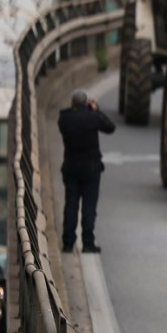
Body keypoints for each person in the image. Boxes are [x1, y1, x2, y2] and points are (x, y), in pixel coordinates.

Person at [58, 89, 115, 253]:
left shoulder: (64, 119)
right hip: (91, 169)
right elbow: (110, 127)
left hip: (70, 168)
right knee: (89, 207)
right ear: (86, 103)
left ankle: (68, 242)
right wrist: (96, 110)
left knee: (70, 205)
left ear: (72, 103)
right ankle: (88, 242)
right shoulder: (93, 117)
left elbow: (68, 117)